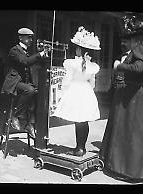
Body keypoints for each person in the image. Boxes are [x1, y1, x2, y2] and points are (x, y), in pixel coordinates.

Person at [99, 15, 143, 182]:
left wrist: (118, 65)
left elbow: (138, 68)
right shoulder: (138, 51)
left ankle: (135, 171)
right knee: (126, 132)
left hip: (141, 98)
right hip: (131, 96)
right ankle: (120, 166)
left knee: (137, 134)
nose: (127, 42)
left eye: (130, 39)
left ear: (139, 38)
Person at [52, 26, 101, 157]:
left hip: (75, 91)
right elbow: (93, 84)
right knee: (83, 121)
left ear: (79, 50)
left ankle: (79, 148)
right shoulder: (92, 66)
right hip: (86, 92)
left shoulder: (72, 63)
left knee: (78, 121)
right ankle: (81, 147)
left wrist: (63, 94)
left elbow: (67, 81)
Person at [1, 27, 49, 138]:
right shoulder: (15, 50)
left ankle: (30, 124)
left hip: (23, 83)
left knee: (38, 93)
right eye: (28, 38)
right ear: (20, 38)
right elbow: (25, 62)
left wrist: (43, 58)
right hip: (14, 83)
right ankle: (16, 116)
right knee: (30, 90)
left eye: (31, 38)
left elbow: (31, 63)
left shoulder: (26, 52)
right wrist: (40, 54)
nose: (31, 40)